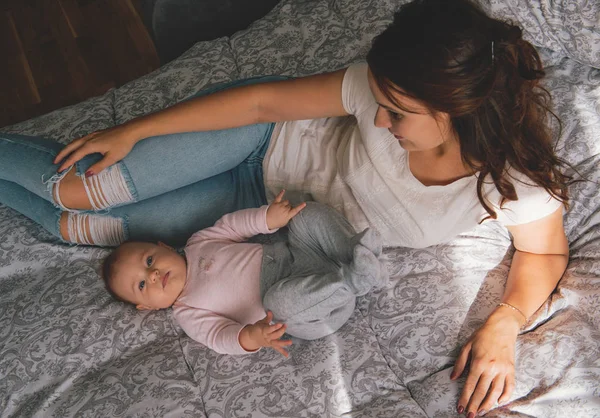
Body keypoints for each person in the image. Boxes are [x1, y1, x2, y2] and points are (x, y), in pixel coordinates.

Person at [0, 0, 570, 415]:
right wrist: (135, 130)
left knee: (79, 227)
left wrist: (505, 322)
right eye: (379, 101)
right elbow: (260, 101)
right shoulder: (379, 90)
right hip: (263, 142)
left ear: (456, 110)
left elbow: (543, 248)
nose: (377, 119)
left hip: (260, 218)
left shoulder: (510, 179)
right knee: (75, 190)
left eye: (396, 113)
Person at [102, 193, 386, 356]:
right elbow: (219, 337)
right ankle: (354, 279)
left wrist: (267, 218)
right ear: (148, 307)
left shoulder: (198, 242)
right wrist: (251, 336)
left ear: (163, 246)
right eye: (141, 284)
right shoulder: (187, 310)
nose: (152, 274)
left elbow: (232, 226)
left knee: (303, 213)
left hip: (304, 256)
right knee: (278, 302)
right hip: (313, 309)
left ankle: (354, 251)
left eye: (149, 260)